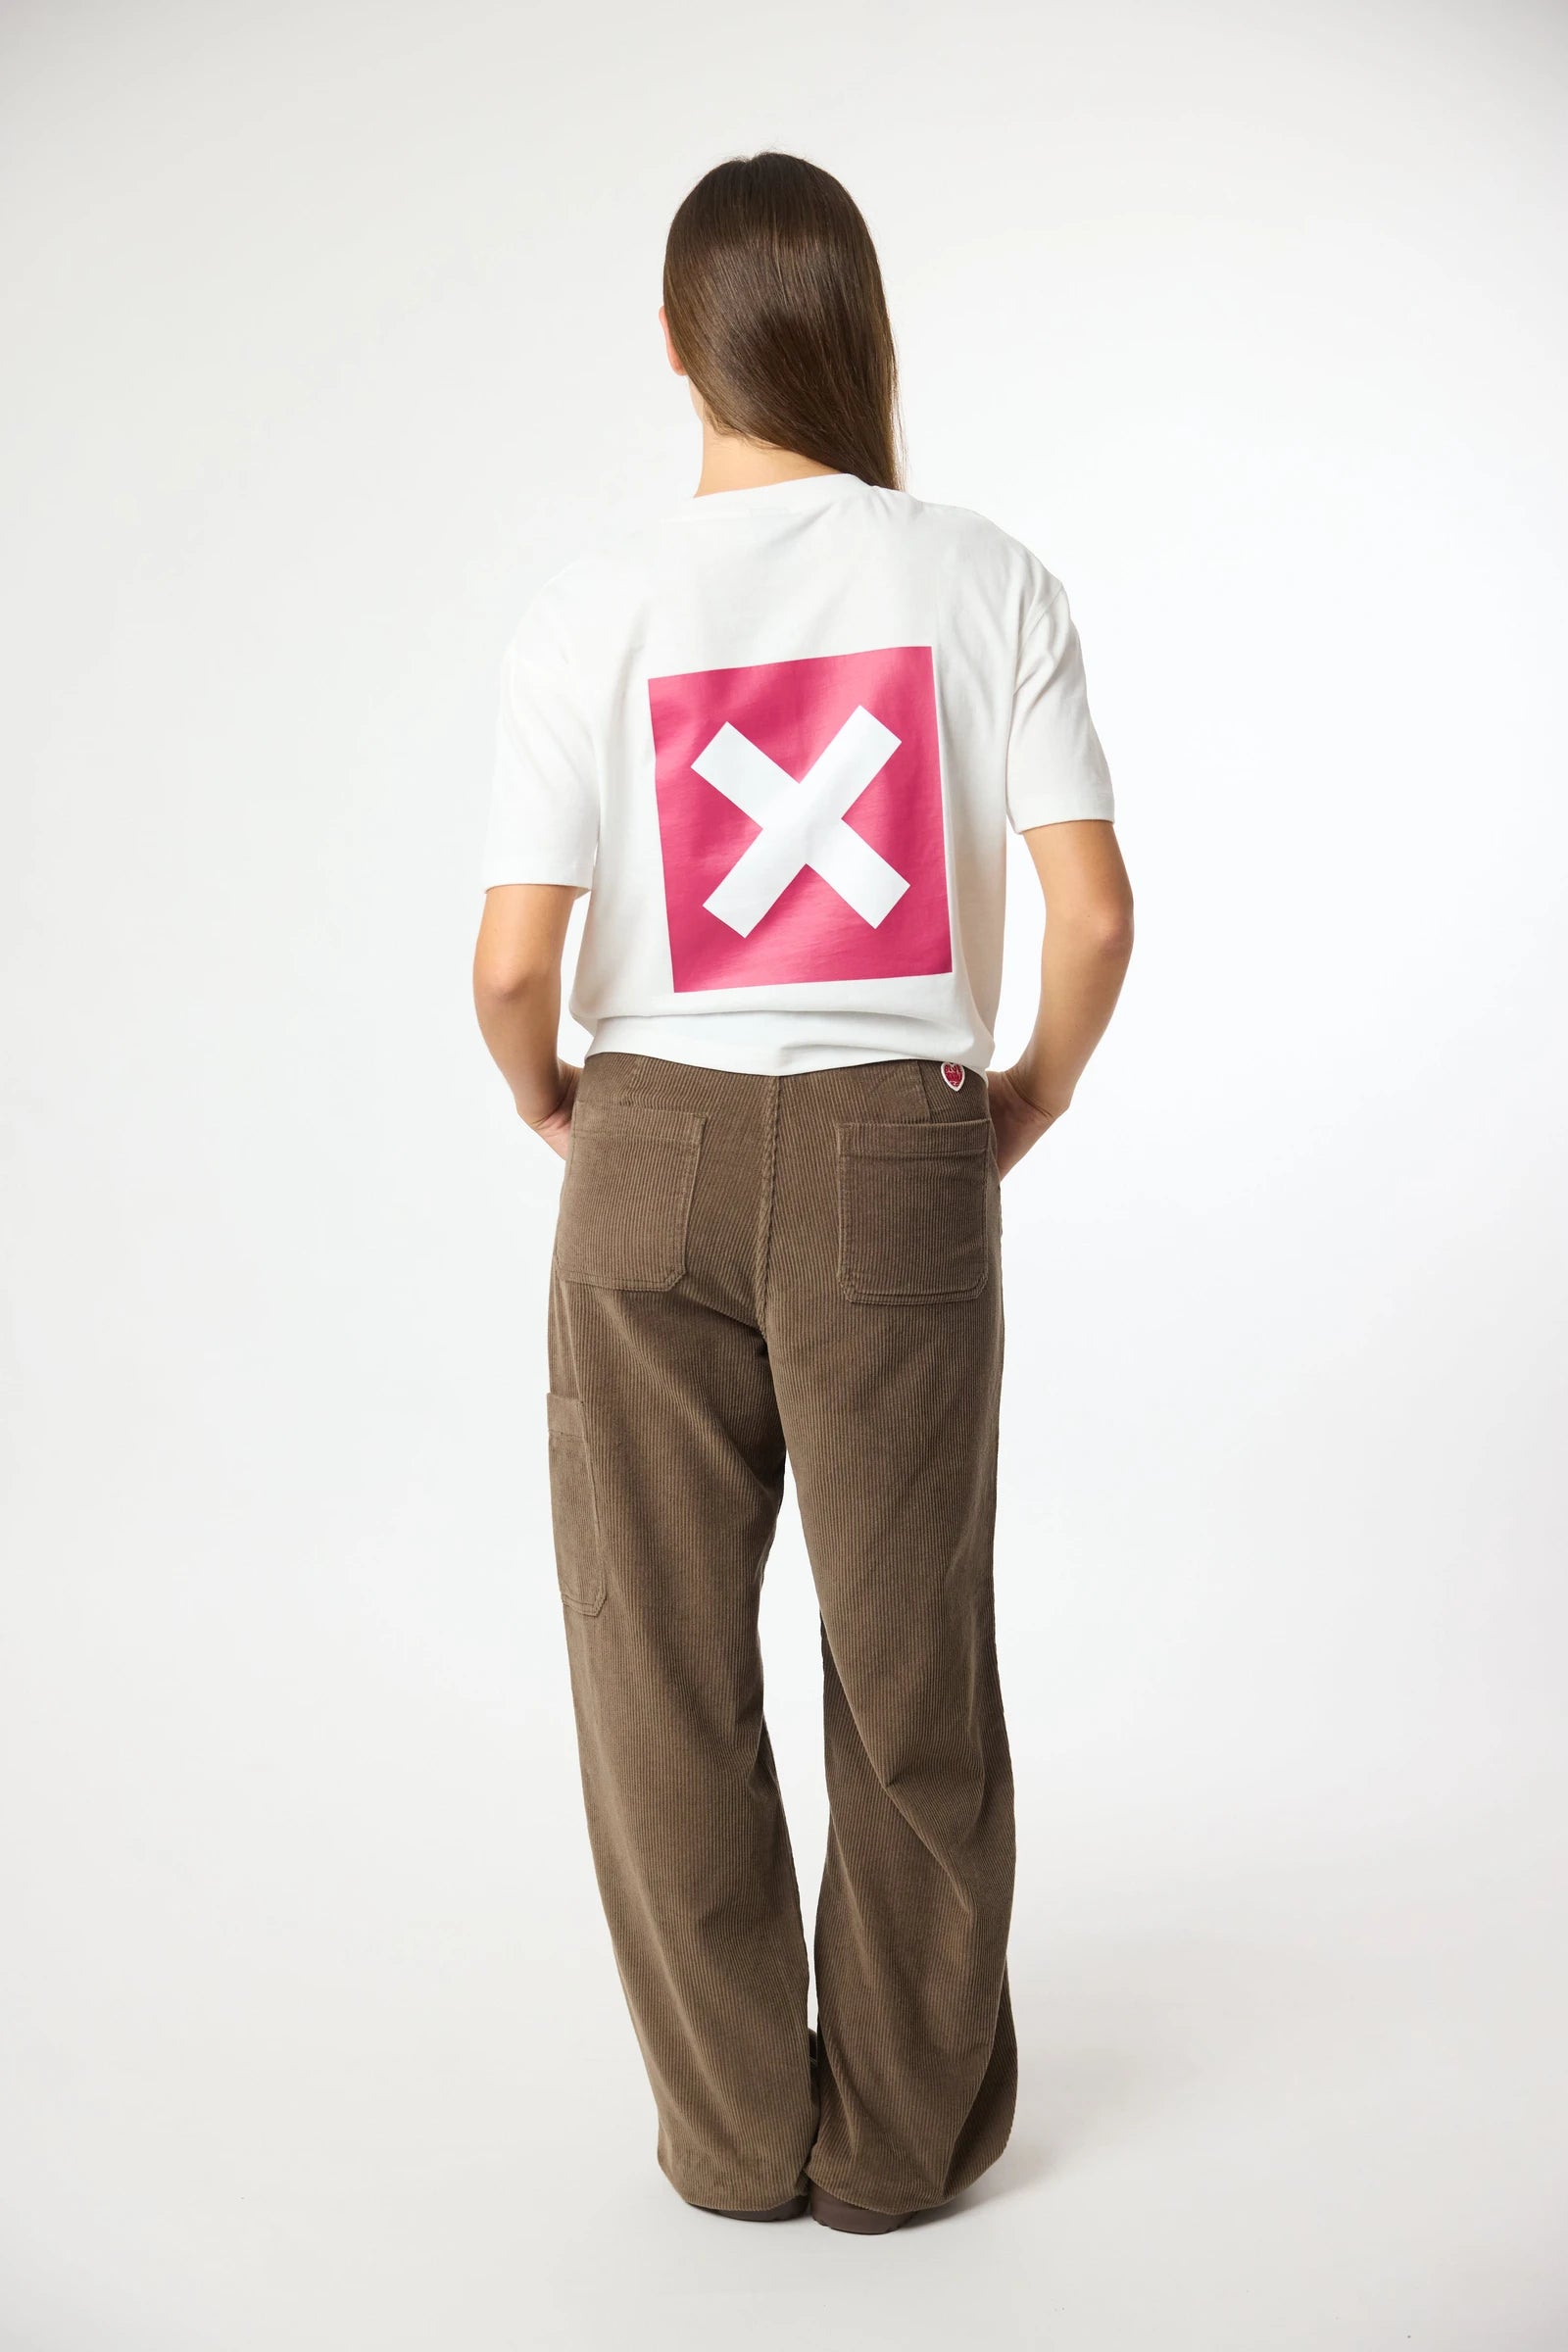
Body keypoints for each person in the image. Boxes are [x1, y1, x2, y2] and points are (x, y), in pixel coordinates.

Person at [473, 151, 1134, 2236]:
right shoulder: (983, 576)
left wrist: (551, 1099)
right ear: (860, 333)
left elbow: (511, 964)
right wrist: (1020, 1096)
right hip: (898, 1144)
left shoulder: (589, 607)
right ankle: (899, 2151)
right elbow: (1093, 916)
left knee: (658, 1671)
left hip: (647, 1144)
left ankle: (734, 2137)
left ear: (676, 344)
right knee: (908, 1657)